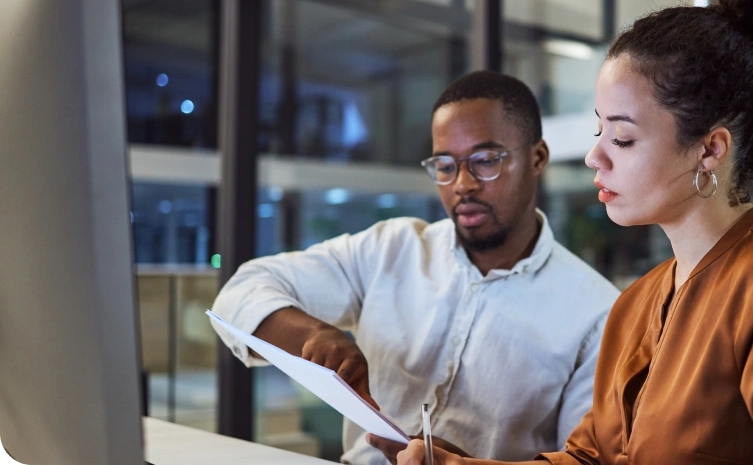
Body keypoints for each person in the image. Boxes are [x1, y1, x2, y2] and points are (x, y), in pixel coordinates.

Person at [388, 0, 753, 463]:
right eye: (600, 132)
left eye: (622, 138)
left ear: (709, 149)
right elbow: (589, 457)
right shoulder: (637, 304)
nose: (594, 157)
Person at [210, 70, 620, 464]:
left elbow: (582, 460)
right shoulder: (390, 248)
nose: (462, 184)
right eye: (445, 165)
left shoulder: (599, 313)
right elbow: (241, 291)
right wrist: (314, 334)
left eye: (485, 160)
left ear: (537, 158)